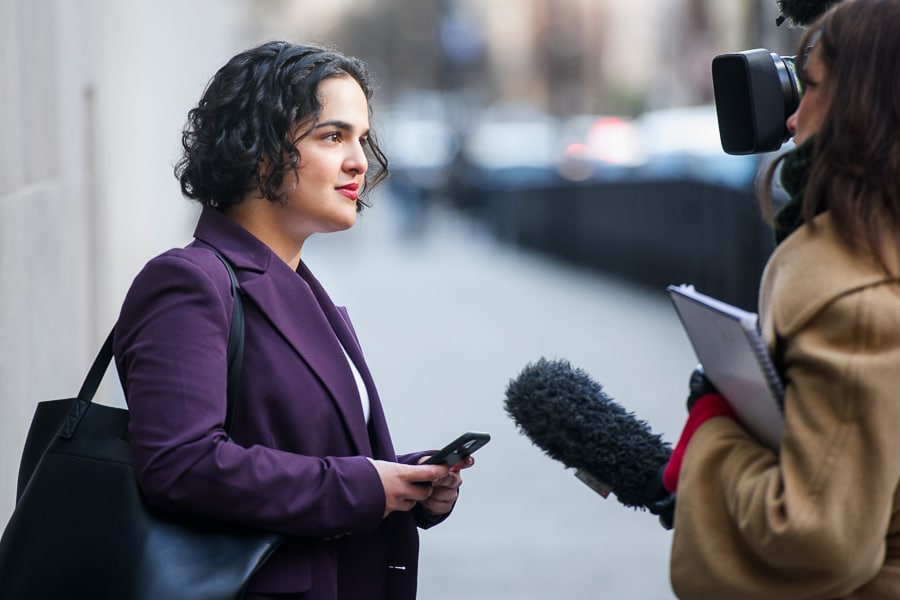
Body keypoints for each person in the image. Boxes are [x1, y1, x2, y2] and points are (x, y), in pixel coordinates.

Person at [113, 41, 473, 600]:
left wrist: (401, 481)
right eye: (333, 136)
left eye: (361, 138)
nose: (360, 161)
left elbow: (299, 450)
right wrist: (360, 486)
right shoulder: (188, 282)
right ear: (259, 150)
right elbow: (180, 464)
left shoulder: (302, 285)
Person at [661, 0, 900, 597]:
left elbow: (817, 538)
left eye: (810, 85)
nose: (791, 120)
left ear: (863, 106)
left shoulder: (857, 296)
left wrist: (713, 435)